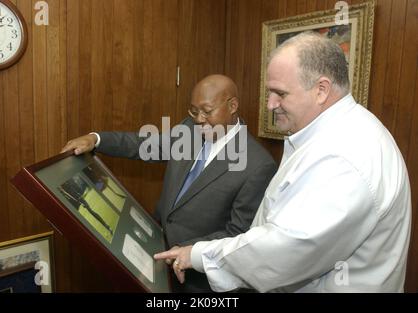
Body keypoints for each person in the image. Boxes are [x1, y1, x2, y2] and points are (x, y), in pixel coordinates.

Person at [154, 32, 412, 292]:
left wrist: (197, 255)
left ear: (321, 90)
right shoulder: (333, 133)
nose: (270, 104)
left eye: (280, 94)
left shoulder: (345, 156)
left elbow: (287, 249)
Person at [61, 74, 277, 292]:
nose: (199, 119)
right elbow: (143, 144)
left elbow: (237, 234)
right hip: (154, 255)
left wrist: (186, 252)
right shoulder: (190, 129)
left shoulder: (258, 165)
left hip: (197, 280)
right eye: (194, 111)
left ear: (233, 105)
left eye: (207, 111)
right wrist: (96, 139)